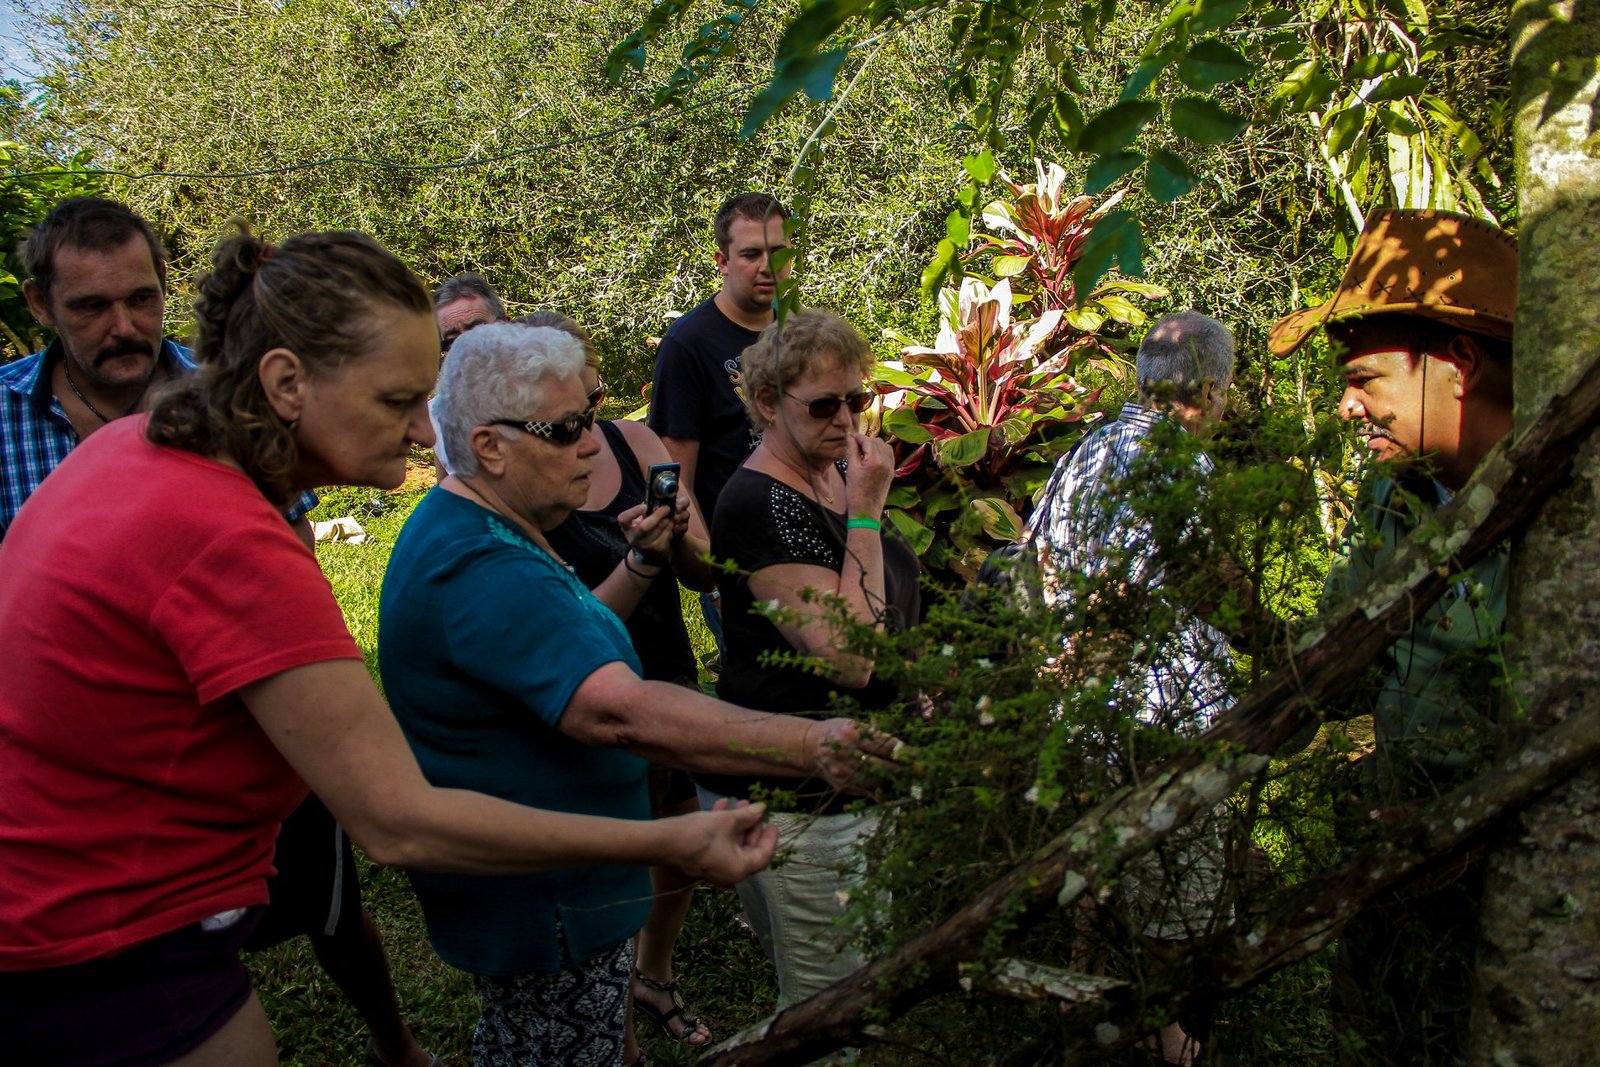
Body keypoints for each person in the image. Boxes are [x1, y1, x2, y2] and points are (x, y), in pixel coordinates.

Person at [0, 228, 782, 1067]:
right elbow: (399, 820)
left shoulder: (139, 446)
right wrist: (670, 840)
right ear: (287, 381)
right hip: (92, 933)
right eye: (396, 400)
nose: (421, 431)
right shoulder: (227, 535)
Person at [376, 321, 902, 1067]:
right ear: (489, 446)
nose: (592, 446)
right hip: (549, 909)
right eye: (565, 429)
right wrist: (813, 742)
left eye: (590, 417)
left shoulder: (489, 528)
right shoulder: (483, 568)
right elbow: (618, 708)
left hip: (564, 901)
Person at [0, 197, 436, 1067]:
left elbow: (281, 550)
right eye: (91, 307)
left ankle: (394, 1043)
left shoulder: (216, 400)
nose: (124, 326)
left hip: (226, 718)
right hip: (90, 823)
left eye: (142, 298)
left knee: (327, 902)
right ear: (42, 306)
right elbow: (405, 819)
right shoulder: (24, 421)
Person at [1269, 208, 1516, 1067]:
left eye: (1366, 379)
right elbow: (1334, 672)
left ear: (1458, 365)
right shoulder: (1396, 499)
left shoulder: (1570, 511)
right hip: (1403, 892)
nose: (1346, 406)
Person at [1028, 310, 1238, 1066]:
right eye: (1226, 394)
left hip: (1089, 725)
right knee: (1174, 919)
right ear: (1211, 392)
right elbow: (1118, 595)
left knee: (1100, 905)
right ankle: (1172, 1047)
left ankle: (1090, 1039)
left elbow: (1042, 569)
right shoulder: (1173, 461)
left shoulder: (1084, 451)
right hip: (1153, 731)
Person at [699, 308, 918, 1018]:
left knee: (860, 977)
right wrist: (867, 510)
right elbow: (851, 659)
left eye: (859, 400)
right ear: (768, 404)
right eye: (825, 404)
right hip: (805, 794)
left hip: (854, 774)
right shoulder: (761, 502)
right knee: (833, 1010)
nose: (849, 420)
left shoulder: (830, 476)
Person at [531, 311, 717, 1053]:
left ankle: (655, 974)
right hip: (593, 685)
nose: (590, 425)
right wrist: (636, 564)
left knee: (674, 835)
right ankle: (619, 1027)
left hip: (665, 662)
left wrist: (678, 533)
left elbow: (707, 571)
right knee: (615, 855)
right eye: (573, 411)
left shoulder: (637, 443)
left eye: (597, 401)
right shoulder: (527, 481)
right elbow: (569, 625)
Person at [647, 192, 791, 645]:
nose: (767, 266)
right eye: (750, 254)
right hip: (738, 568)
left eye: (778, 252)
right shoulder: (689, 345)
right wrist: (713, 579)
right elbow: (675, 478)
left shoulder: (797, 330)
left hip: (803, 551)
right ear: (723, 261)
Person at [431, 273, 509, 475]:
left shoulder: (548, 391)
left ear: (507, 326)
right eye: (452, 340)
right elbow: (447, 493)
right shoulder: (436, 414)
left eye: (477, 330)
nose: (467, 346)